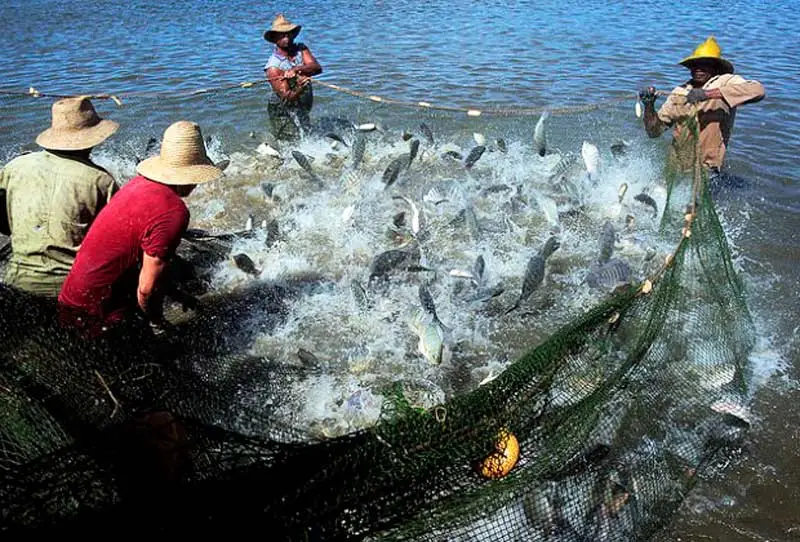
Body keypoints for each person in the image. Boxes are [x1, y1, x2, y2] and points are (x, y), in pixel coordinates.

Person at [57, 120, 225, 338]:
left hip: (69, 301)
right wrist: (158, 321)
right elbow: (146, 289)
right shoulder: (173, 211)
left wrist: (176, 294)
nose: (196, 185)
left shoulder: (137, 184)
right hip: (95, 315)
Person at [0, 96, 120, 297]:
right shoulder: (100, 180)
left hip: (17, 279)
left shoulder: (15, 167)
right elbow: (115, 241)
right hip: (71, 287)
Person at [640, 36, 765, 180]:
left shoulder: (726, 81)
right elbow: (654, 132)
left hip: (707, 169)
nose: (698, 69)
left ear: (715, 67)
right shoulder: (679, 92)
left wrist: (707, 94)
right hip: (677, 169)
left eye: (705, 64)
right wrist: (649, 105)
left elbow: (758, 90)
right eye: (695, 64)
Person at [263, 13, 323, 140]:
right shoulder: (273, 67)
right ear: (274, 38)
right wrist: (300, 86)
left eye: (289, 33)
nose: (287, 37)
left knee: (306, 137)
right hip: (281, 110)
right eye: (282, 34)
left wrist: (297, 69)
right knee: (291, 141)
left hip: (301, 105)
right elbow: (287, 97)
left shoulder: (301, 49)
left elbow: (317, 68)